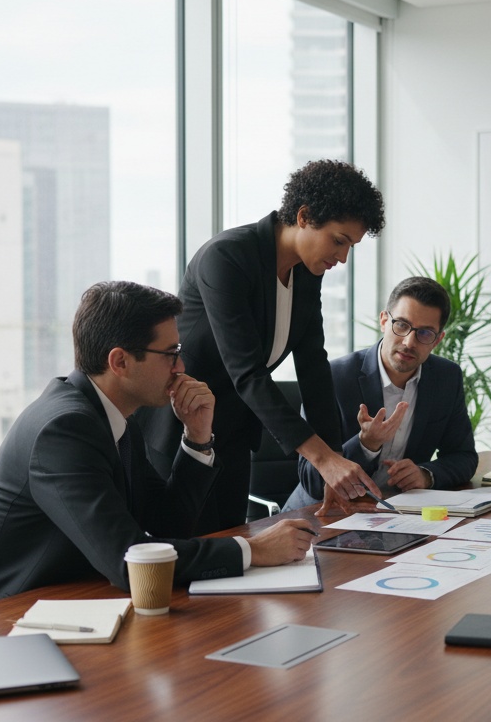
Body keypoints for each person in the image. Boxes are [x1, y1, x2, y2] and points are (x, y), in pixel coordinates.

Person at [0, 282, 313, 612]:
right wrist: (253, 549)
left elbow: (166, 522)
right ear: (119, 361)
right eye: (170, 353)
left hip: (67, 607)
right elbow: (128, 562)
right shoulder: (64, 431)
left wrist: (197, 438)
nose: (182, 366)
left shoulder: (112, 417)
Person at [138, 160, 387, 531]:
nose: (344, 257)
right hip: (183, 429)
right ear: (304, 216)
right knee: (193, 555)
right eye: (339, 240)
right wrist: (321, 459)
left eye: (351, 245)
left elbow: (314, 367)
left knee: (234, 546)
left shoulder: (305, 272)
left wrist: (333, 462)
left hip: (235, 430)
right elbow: (247, 371)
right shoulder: (227, 257)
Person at [282, 277, 478, 510]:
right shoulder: (333, 378)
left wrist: (426, 474)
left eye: (424, 333)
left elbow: (464, 456)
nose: (408, 342)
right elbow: (312, 481)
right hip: (323, 514)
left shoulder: (446, 377)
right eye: (401, 325)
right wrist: (366, 444)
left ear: (437, 340)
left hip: (399, 514)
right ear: (384, 320)